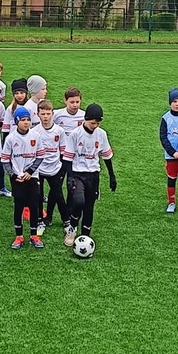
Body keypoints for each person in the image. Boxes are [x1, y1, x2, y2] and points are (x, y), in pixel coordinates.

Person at [62, 103, 116, 247]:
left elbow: (106, 156)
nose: (95, 126)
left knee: (89, 206)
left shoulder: (101, 134)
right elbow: (67, 158)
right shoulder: (75, 134)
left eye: (97, 123)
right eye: (92, 123)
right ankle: (72, 228)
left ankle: (85, 236)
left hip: (93, 175)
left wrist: (112, 176)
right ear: (86, 119)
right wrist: (70, 177)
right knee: (79, 201)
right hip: (77, 174)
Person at [1, 107, 46, 249]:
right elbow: (5, 160)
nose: (26, 123)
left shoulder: (36, 136)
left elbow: (40, 156)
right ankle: (19, 236)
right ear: (16, 121)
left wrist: (30, 171)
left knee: (34, 207)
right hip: (18, 180)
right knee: (19, 207)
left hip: (32, 178)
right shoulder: (10, 139)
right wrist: (14, 175)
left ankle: (34, 235)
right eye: (23, 120)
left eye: (28, 120)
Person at [33, 99, 67, 236]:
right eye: (43, 114)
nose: (46, 117)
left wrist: (63, 167)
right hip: (39, 169)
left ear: (52, 114)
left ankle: (66, 221)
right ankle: (41, 221)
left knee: (58, 194)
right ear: (38, 114)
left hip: (55, 168)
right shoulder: (34, 132)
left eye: (48, 114)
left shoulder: (60, 131)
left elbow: (63, 151)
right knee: (38, 195)